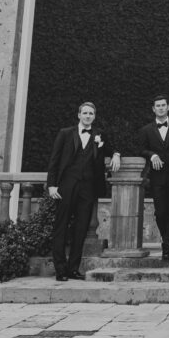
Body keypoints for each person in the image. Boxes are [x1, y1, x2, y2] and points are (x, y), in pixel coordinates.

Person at [45, 102, 121, 281]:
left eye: (91, 113)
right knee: (61, 227)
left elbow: (112, 148)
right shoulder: (65, 133)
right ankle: (60, 270)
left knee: (81, 229)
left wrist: (116, 155)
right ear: (79, 115)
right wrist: (51, 185)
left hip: (88, 188)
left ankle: (73, 269)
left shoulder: (99, 134)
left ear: (94, 116)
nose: (88, 116)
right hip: (66, 186)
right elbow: (54, 160)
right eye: (85, 113)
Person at [135, 95, 169, 261]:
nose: (160, 108)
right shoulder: (146, 130)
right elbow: (141, 149)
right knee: (160, 212)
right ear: (153, 109)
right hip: (157, 176)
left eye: (163, 105)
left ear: (168, 107)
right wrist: (152, 155)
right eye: (157, 105)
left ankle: (166, 248)